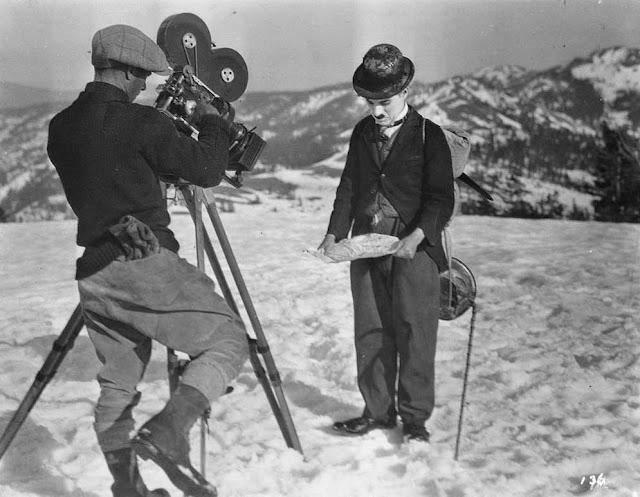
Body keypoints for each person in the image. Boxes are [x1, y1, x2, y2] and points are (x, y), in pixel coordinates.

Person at [47, 25, 248, 497]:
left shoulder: (61, 127)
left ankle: (128, 489)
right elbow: (206, 169)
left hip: (95, 272)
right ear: (126, 72)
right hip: (142, 260)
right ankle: (168, 434)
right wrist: (215, 121)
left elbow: (113, 163)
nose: (145, 88)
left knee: (118, 386)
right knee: (227, 341)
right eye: (142, 79)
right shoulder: (142, 123)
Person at [318, 44, 454, 443]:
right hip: (366, 242)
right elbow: (348, 187)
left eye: (384, 101)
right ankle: (378, 412)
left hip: (413, 244)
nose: (375, 110)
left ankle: (414, 419)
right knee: (371, 330)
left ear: (406, 92)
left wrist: (415, 237)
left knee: (415, 329)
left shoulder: (430, 136)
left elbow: (440, 199)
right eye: (368, 101)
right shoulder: (362, 133)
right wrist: (334, 233)